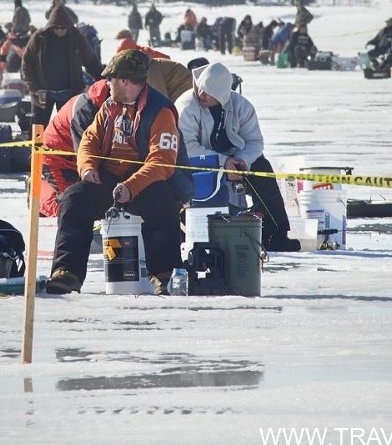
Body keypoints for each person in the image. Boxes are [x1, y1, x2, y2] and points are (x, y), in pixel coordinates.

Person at [47, 49, 193, 295]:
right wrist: (88, 167)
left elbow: (162, 162)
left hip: (148, 179)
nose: (107, 83)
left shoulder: (161, 112)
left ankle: (164, 273)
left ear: (124, 81)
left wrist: (131, 187)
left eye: (110, 79)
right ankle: (67, 272)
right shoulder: (109, 106)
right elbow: (89, 140)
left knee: (163, 201)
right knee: (74, 198)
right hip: (111, 178)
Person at [175, 63, 301, 252]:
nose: (202, 94)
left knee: (263, 170)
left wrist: (243, 162)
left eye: (208, 93)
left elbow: (255, 141)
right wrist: (223, 163)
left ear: (222, 96)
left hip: (235, 159)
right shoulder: (186, 106)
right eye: (201, 88)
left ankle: (275, 234)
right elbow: (186, 146)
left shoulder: (242, 106)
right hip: (198, 163)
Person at [21, 5, 103, 127]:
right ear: (50, 26)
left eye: (63, 28)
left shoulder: (76, 38)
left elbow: (91, 61)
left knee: (69, 130)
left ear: (68, 26)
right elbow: (27, 64)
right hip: (43, 93)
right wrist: (34, 88)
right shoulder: (39, 38)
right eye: (56, 28)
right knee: (38, 130)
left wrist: (103, 79)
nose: (59, 30)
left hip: (69, 93)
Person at [39, 80, 111, 218]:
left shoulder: (114, 102)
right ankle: (39, 192)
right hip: (57, 158)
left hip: (76, 155)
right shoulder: (85, 109)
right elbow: (86, 150)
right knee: (68, 208)